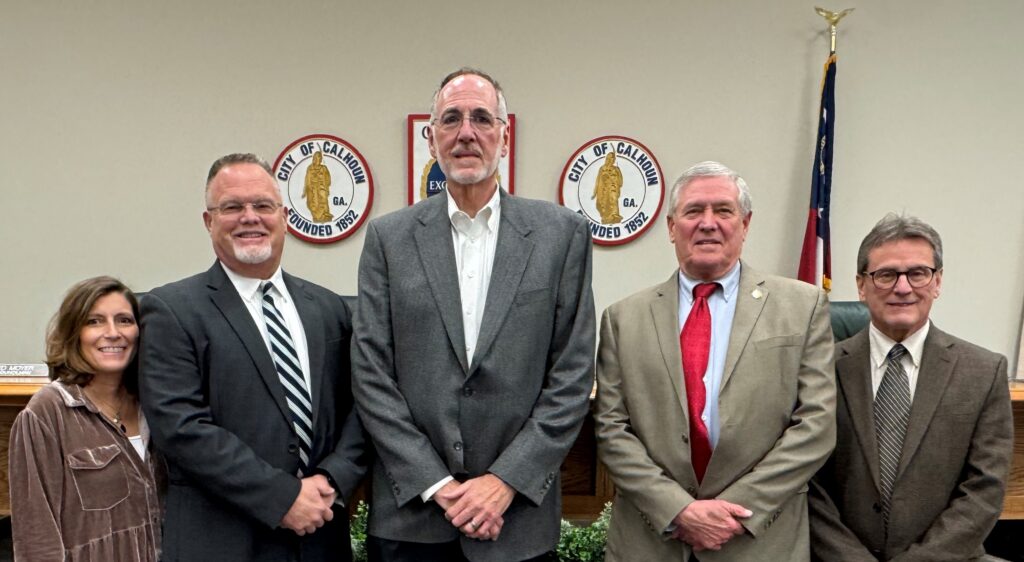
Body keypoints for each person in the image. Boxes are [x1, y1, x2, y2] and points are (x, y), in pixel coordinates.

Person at [351, 68, 595, 562]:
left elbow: (571, 373)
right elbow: (371, 374)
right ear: (432, 137)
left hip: (517, 522)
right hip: (412, 522)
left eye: (482, 118)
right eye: (452, 119)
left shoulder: (560, 234)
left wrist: (505, 481)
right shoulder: (388, 239)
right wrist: (437, 483)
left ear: (504, 137)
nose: (467, 132)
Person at [594, 161, 836, 561]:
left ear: (745, 224)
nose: (708, 223)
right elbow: (611, 429)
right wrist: (678, 509)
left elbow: (816, 426)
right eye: (693, 212)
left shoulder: (802, 306)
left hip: (759, 541)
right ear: (672, 227)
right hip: (652, 542)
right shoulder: (623, 319)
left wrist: (734, 511)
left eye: (723, 211)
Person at [138, 153, 366, 562]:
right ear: (209, 221)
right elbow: (181, 428)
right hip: (222, 541)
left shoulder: (329, 309)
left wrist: (332, 481)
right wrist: (283, 498)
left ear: (284, 217)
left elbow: (361, 408)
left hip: (319, 539)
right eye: (232, 207)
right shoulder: (170, 310)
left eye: (262, 205)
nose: (249, 217)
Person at [808, 214, 1013, 561]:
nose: (902, 287)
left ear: (937, 282)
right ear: (861, 285)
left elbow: (984, 490)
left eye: (918, 273)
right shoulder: (819, 368)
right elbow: (807, 484)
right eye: (886, 274)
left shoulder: (984, 372)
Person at [9, 276, 162, 561]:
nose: (113, 332)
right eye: (94, 321)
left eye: (124, 320)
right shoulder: (48, 411)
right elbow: (36, 539)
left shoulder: (155, 405)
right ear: (74, 333)